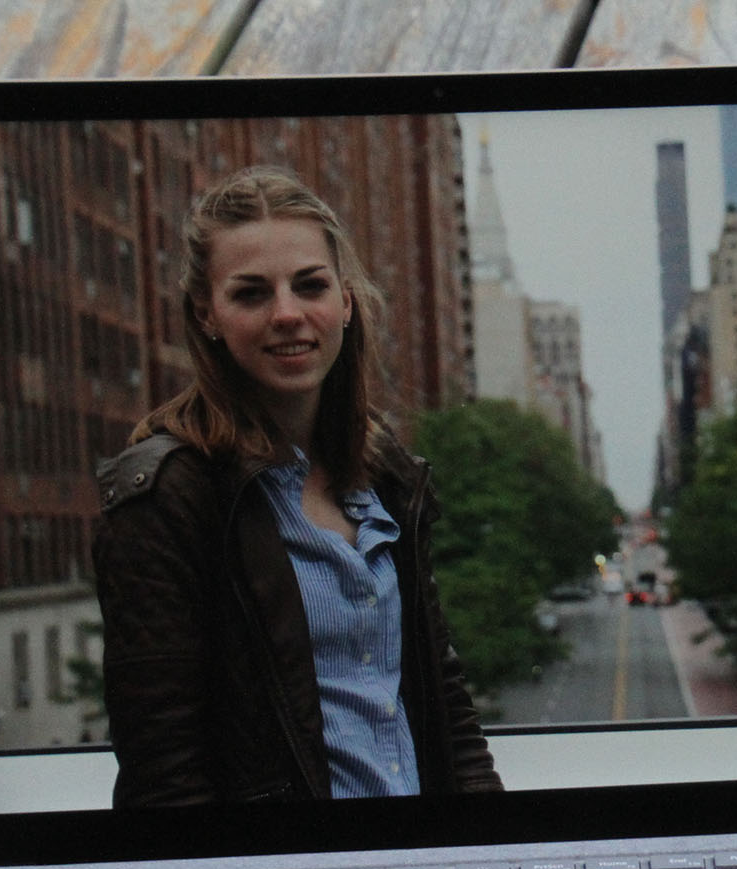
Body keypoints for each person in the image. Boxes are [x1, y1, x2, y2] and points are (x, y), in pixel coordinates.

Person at [92, 166, 500, 805]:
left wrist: (491, 854)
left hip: (421, 864)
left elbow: (443, 700)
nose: (287, 314)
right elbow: (165, 770)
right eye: (251, 294)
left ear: (344, 301)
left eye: (309, 285)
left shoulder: (387, 480)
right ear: (207, 315)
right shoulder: (170, 496)